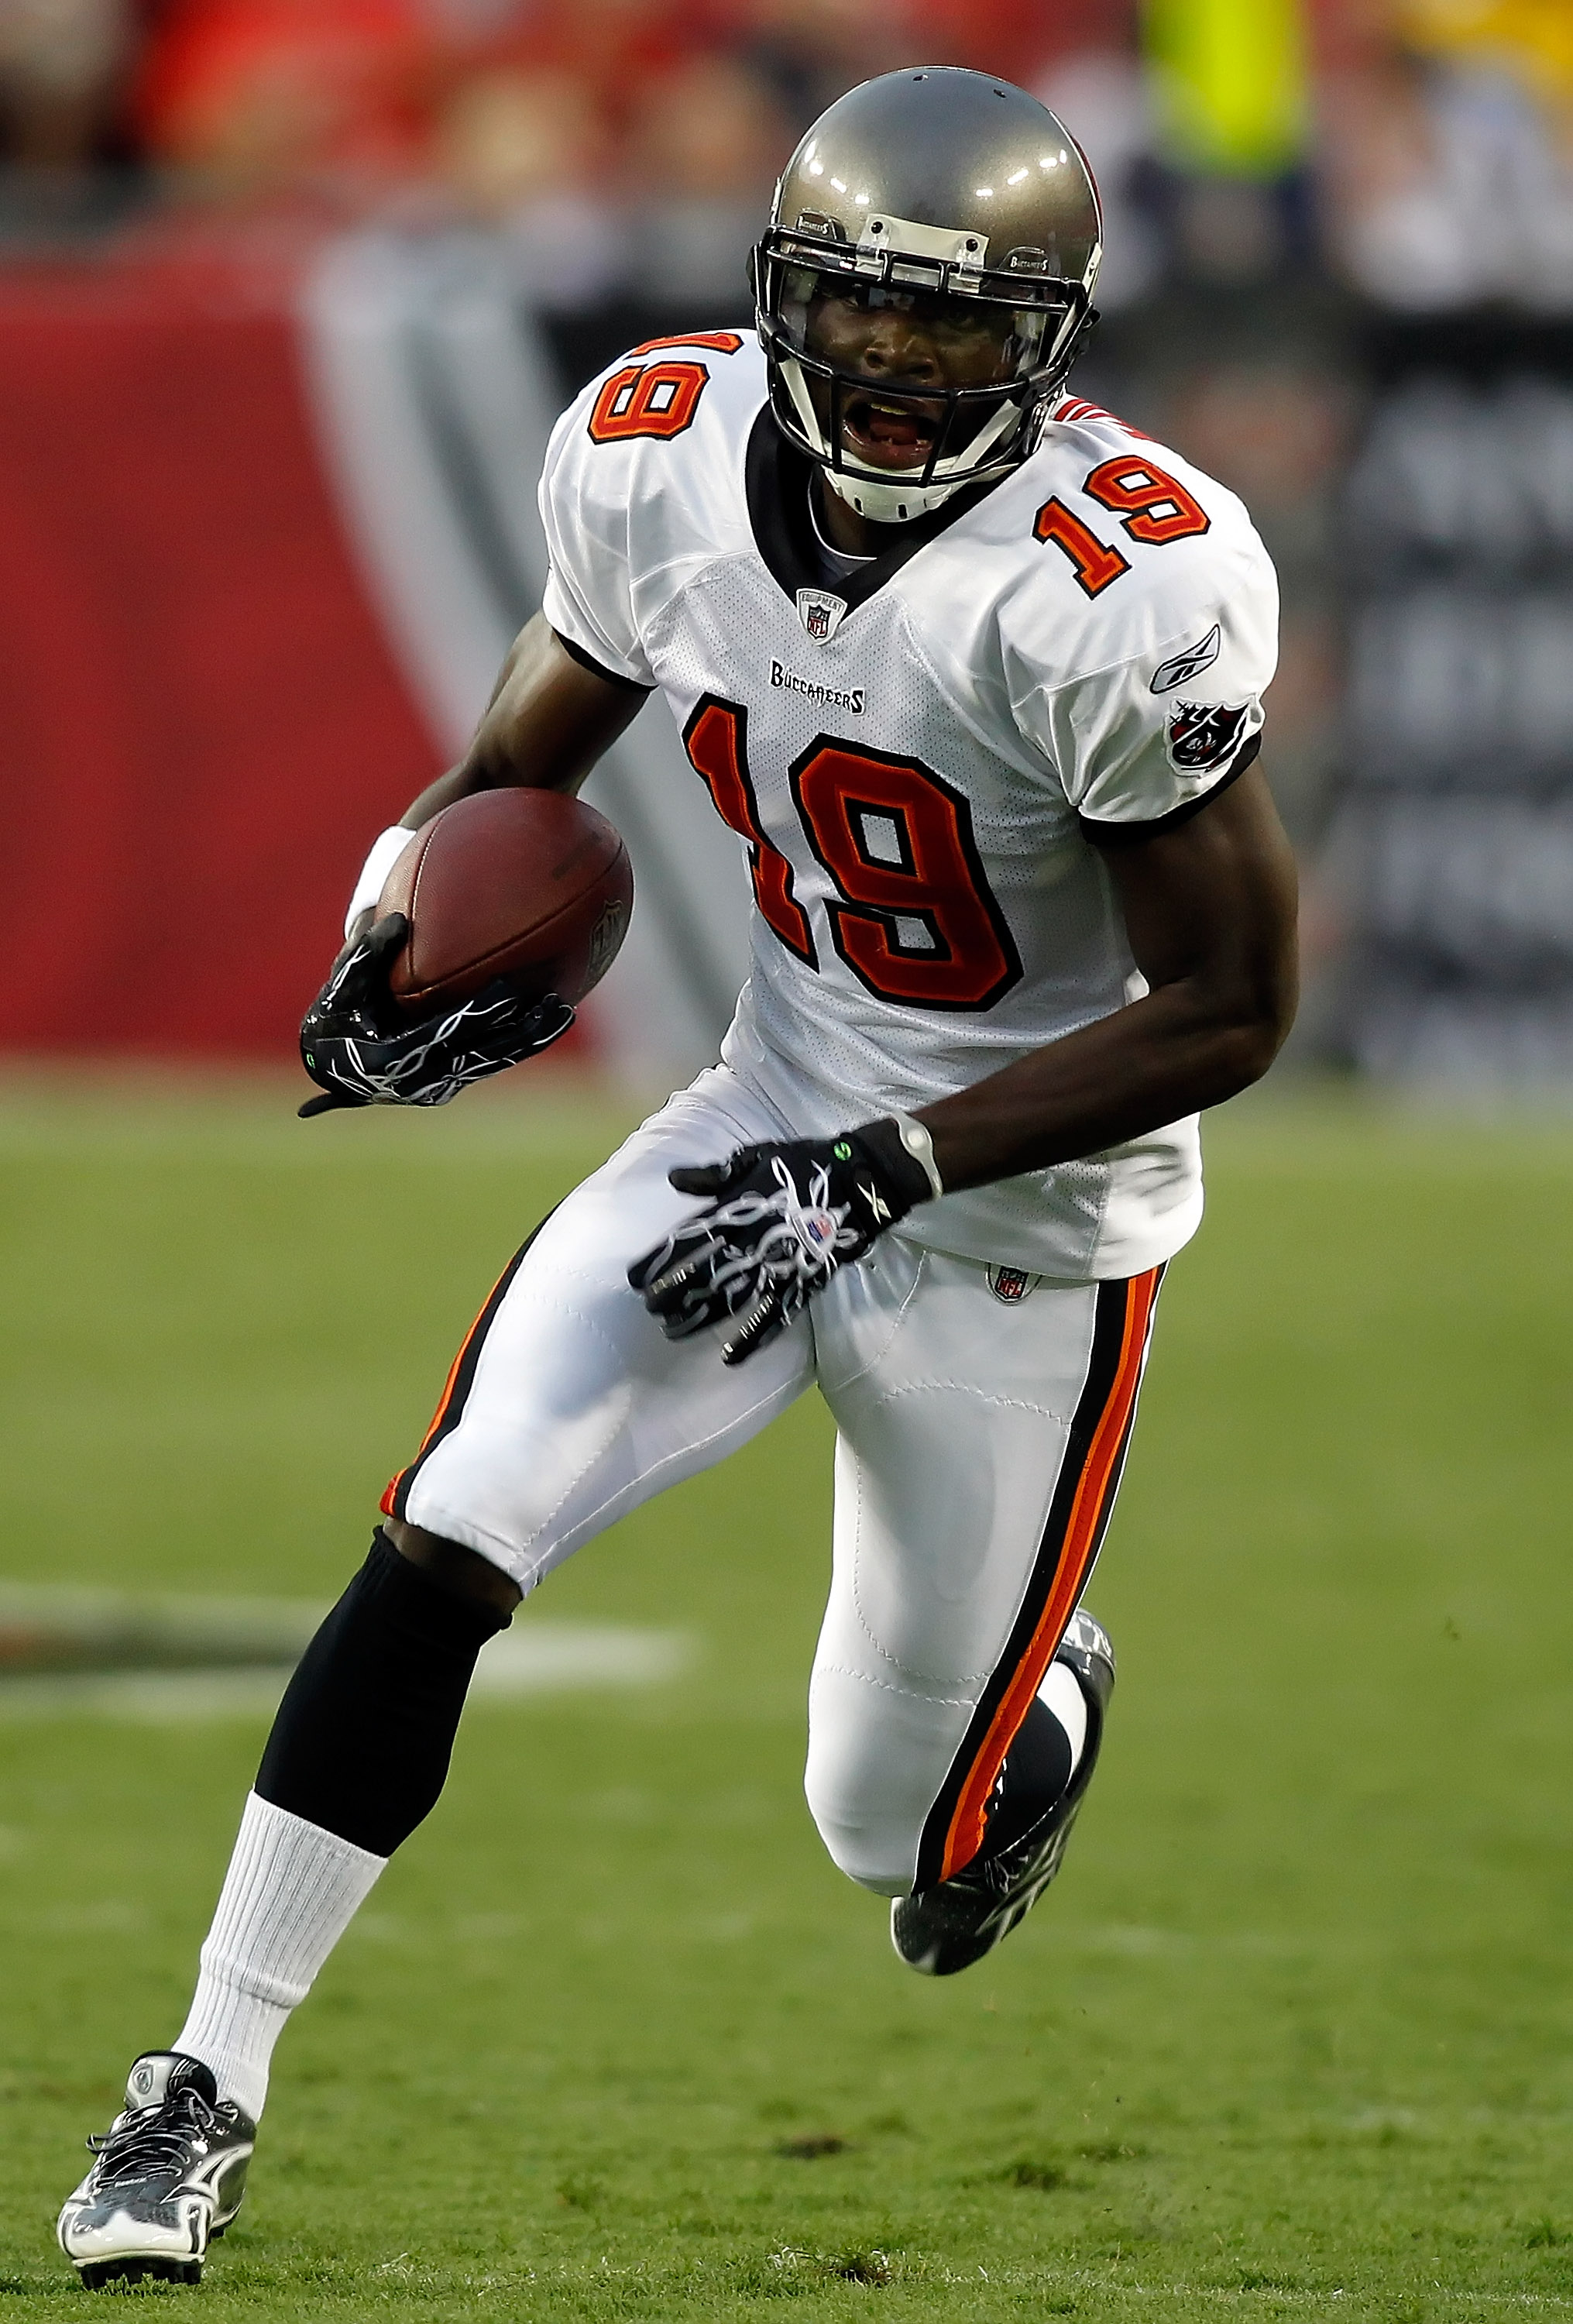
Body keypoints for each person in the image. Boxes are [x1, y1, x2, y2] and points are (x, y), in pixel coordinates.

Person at [57, 63, 1297, 2291]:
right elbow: (521, 755)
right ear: (778, 291)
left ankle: (1044, 1688)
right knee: (457, 1519)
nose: (899, 364)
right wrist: (397, 912)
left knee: (890, 1834)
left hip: (1024, 1221)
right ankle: (196, 2091)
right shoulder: (655, 450)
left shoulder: (1118, 584)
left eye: (956, 320)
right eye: (867, 307)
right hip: (764, 1111)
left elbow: (1231, 1010)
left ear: (1047, 340)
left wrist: (893, 1170)